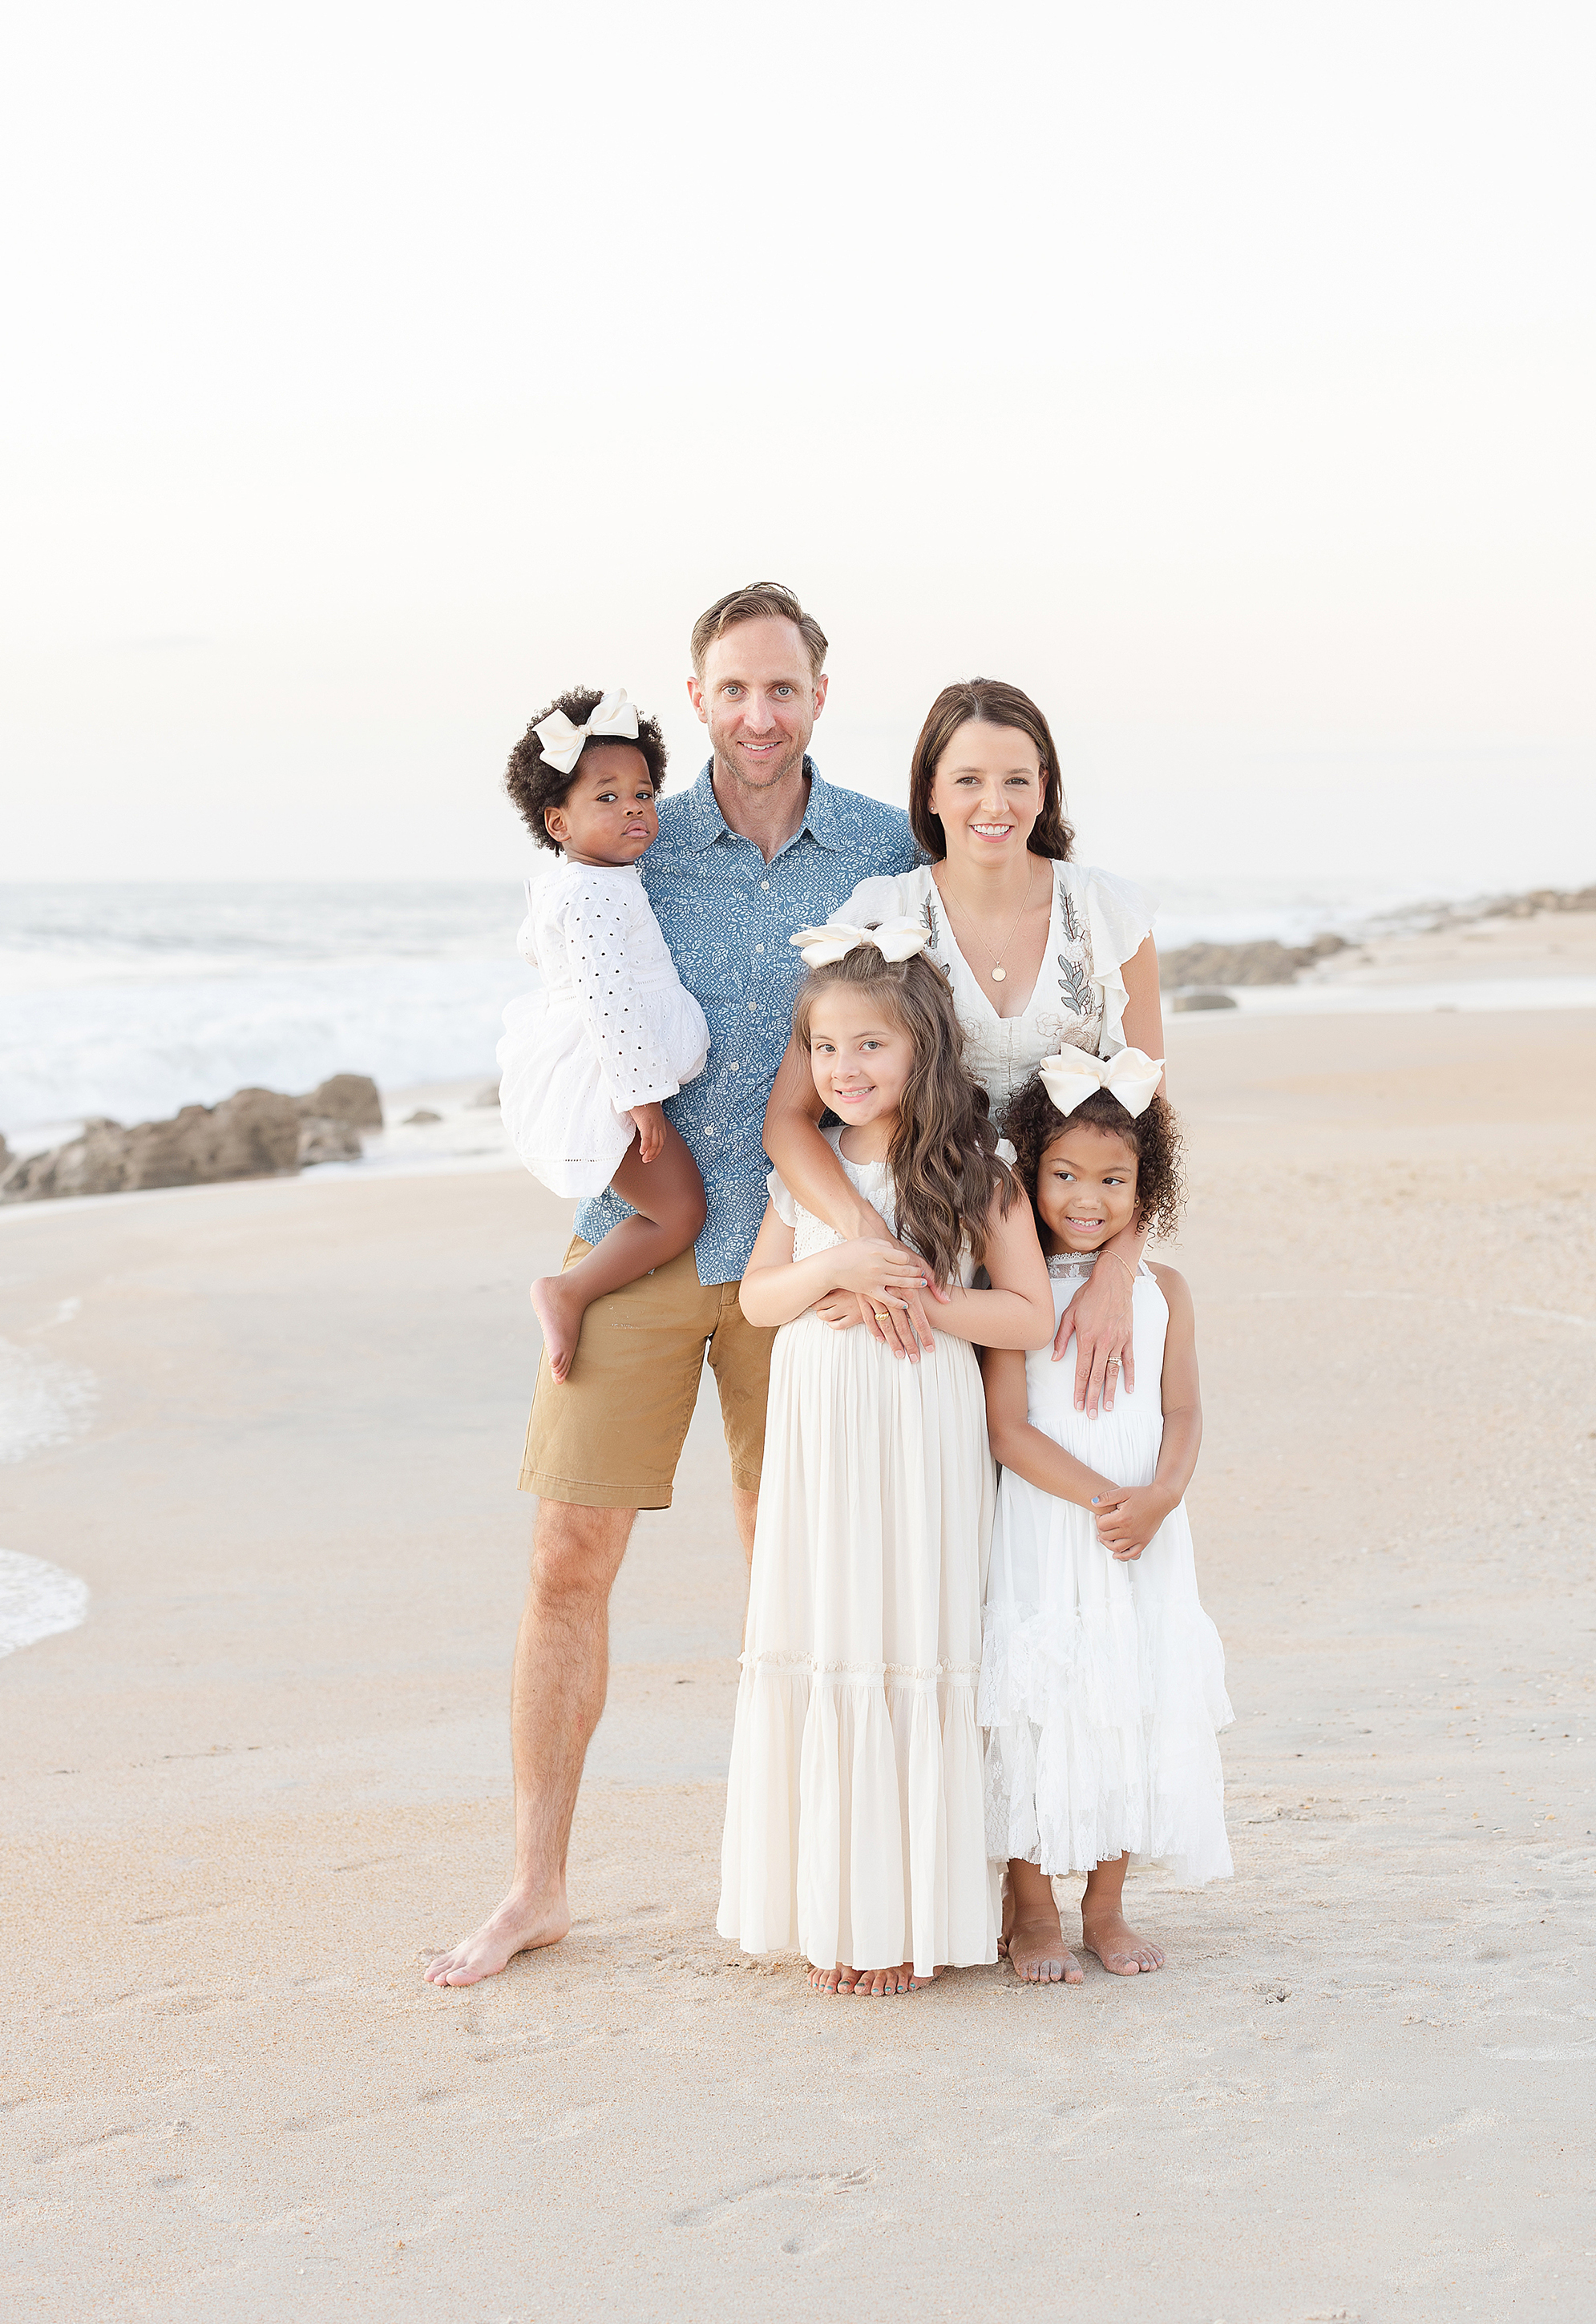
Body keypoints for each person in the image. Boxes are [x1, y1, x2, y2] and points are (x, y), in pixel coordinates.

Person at [426, 584, 918, 1987]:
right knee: (564, 1563)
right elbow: (560, 988)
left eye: (783, 689)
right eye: (731, 690)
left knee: (797, 1577)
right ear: (696, 698)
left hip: (803, 1263)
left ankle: (821, 1881)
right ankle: (534, 1888)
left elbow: (932, 1041)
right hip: (633, 1238)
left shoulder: (886, 851)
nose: (757, 716)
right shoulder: (624, 830)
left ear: (819, 695)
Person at [718, 924, 1057, 1996]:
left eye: (869, 1046)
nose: (844, 1070)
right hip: (822, 1436)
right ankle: (836, 1909)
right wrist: (842, 1269)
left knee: (912, 1629)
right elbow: (757, 1300)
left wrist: (917, 1291)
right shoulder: (805, 1176)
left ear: (920, 1047)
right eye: (824, 1050)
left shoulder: (972, 1170)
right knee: (832, 1634)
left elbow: (1028, 1315)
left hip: (919, 1431)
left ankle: (917, 1916)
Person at [764, 678, 1162, 1414]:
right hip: (930, 1244)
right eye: (969, 780)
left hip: (1073, 1252)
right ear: (931, 792)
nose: (995, 803)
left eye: (1016, 780)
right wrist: (874, 1248)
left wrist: (1116, 1273)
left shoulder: (1109, 913)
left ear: (1044, 789)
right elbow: (788, 1118)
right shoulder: (880, 914)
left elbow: (1149, 1120)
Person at [979, 1047, 1233, 1985]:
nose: (1087, 1196)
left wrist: (1160, 1495)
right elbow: (1007, 1430)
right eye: (1065, 1174)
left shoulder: (1164, 1291)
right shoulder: (1015, 1288)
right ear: (1030, 1173)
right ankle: (1035, 1910)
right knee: (1041, 1708)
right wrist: (1101, 1499)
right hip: (1053, 1528)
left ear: (1144, 1184)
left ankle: (1107, 1906)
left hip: (1144, 1534)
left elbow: (1184, 1410)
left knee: (1131, 1698)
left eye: (1113, 1179)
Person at [495, 688, 709, 1384]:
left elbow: (540, 948)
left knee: (674, 1208)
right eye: (607, 798)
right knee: (679, 1213)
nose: (635, 810)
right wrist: (641, 1097)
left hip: (613, 1068)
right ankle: (569, 1289)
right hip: (609, 1077)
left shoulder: (583, 882)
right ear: (557, 822)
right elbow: (608, 1001)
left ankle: (572, 1287)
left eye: (643, 794)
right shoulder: (591, 892)